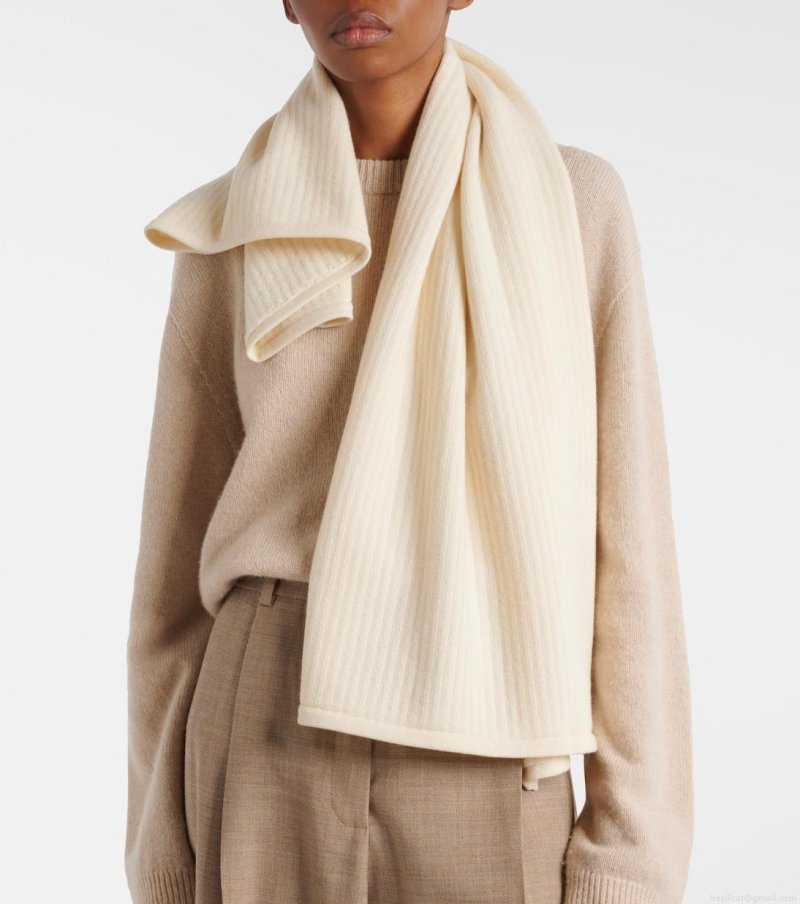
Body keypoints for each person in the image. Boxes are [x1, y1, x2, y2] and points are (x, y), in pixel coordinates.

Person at [124, 3, 693, 903]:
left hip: (491, 727)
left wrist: (629, 855)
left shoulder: (571, 203)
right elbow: (171, 566)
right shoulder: (232, 224)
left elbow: (629, 544)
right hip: (265, 714)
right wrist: (161, 845)